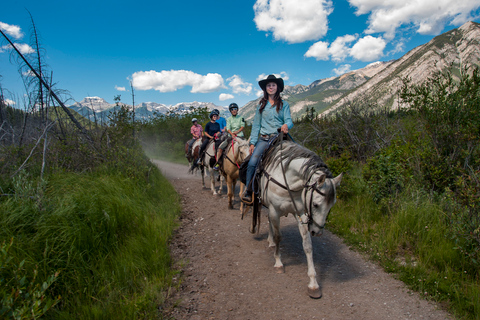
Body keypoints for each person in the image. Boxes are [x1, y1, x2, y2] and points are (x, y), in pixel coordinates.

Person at [241, 74, 294, 203]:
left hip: (279, 137)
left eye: (273, 85)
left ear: (278, 87)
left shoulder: (284, 104)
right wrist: (253, 142)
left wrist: (286, 125)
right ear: (265, 89)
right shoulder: (261, 106)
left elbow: (289, 120)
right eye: (269, 85)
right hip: (264, 139)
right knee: (253, 162)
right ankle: (249, 190)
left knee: (296, 157)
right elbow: (256, 126)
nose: (271, 87)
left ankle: (297, 189)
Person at [213, 103, 245, 170]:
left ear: (237, 110)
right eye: (232, 109)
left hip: (240, 136)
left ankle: (249, 164)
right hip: (231, 137)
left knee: (247, 147)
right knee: (220, 147)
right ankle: (218, 163)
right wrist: (232, 134)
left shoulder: (241, 118)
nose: (234, 110)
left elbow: (242, 126)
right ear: (230, 111)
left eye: (235, 109)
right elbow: (228, 128)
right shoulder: (229, 119)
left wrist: (237, 132)